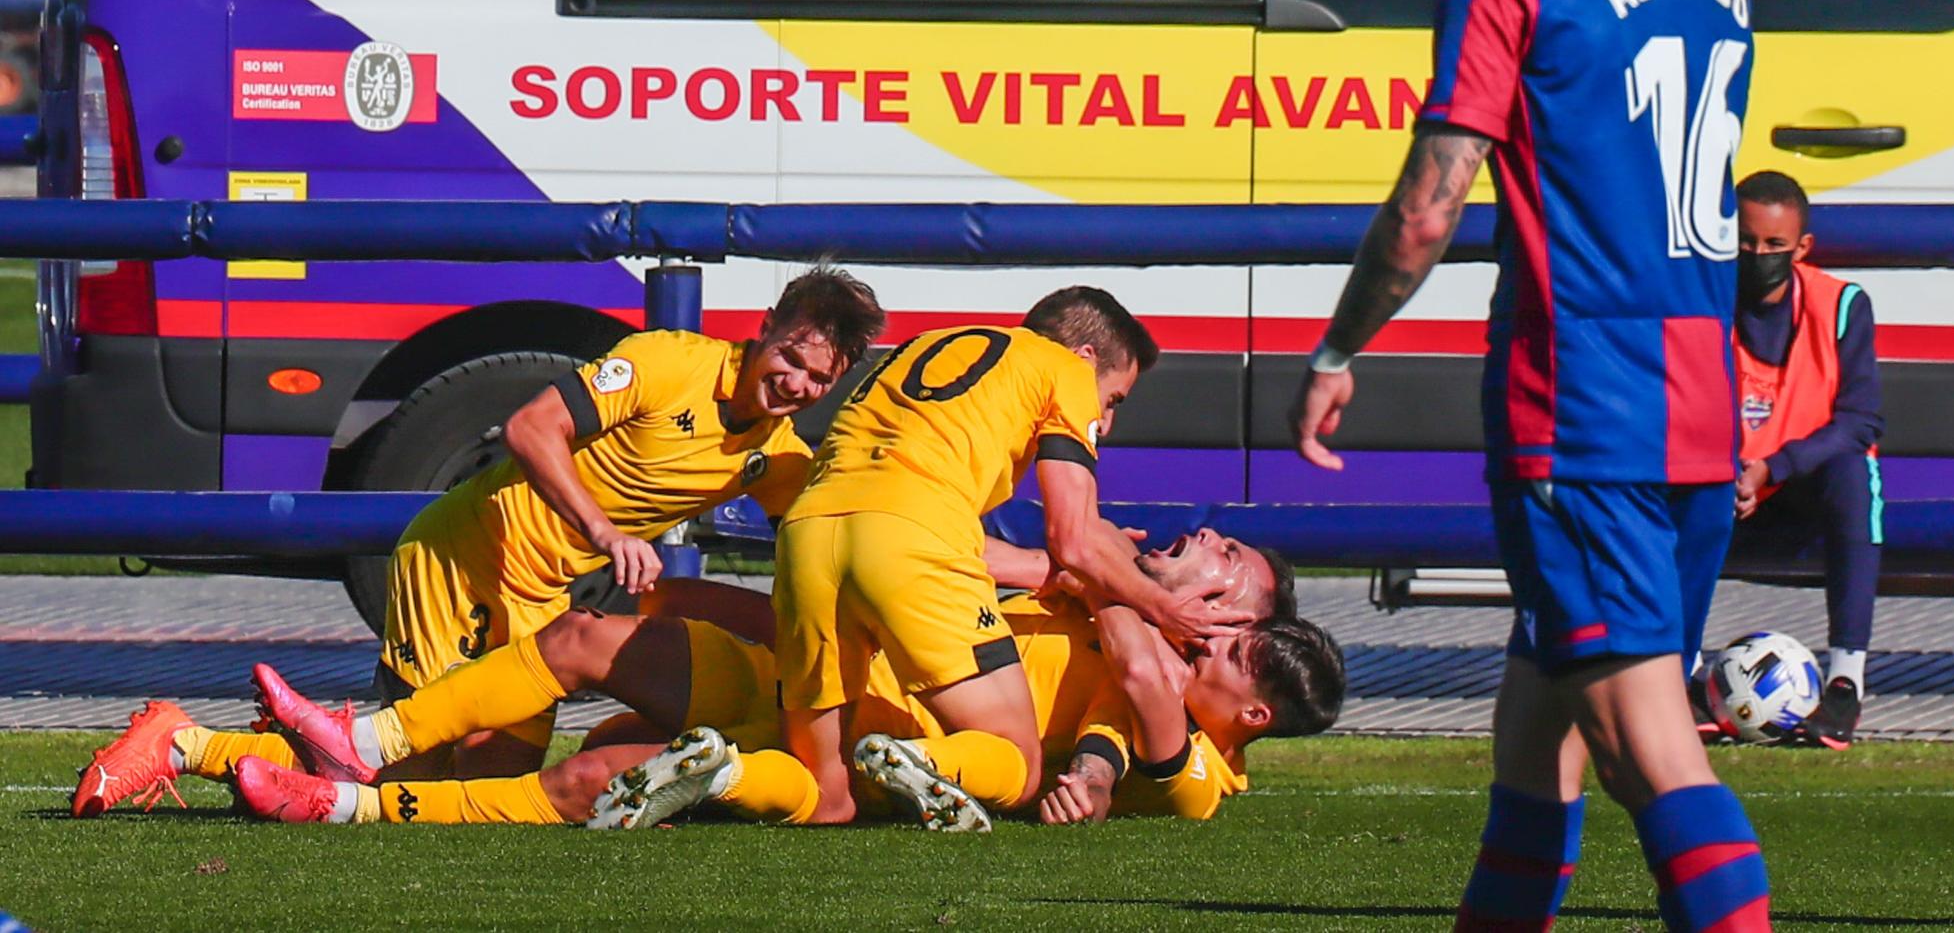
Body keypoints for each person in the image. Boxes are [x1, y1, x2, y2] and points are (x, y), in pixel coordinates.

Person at [1288, 0, 1770, 932]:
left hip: (1584, 410)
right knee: (1531, 750)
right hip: (1694, 407)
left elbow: (1426, 208)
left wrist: (1338, 350)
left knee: (1646, 753)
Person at [72, 267, 884, 817]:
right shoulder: (666, 363)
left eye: (820, 380)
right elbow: (532, 428)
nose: (797, 386)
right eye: (792, 358)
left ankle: (250, 746)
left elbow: (827, 550)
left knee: (482, 795)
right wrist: (604, 531)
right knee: (405, 780)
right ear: (766, 329)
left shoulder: (777, 458)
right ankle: (182, 741)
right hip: (462, 561)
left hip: (542, 603)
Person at [230, 534, 1340, 829]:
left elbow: (1122, 724)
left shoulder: (1171, 723)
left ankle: (342, 798)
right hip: (815, 671)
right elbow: (986, 560)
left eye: (1224, 570)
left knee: (600, 778)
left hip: (845, 732)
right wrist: (1078, 559)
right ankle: (365, 740)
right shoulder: (1116, 614)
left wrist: (1109, 576)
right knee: (592, 633)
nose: (1203, 542)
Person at [773, 287, 1249, 828]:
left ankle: (724, 775)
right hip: (912, 539)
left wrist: (1060, 569)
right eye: (1113, 400)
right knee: (1019, 764)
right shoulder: (1064, 370)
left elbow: (896, 510)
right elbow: (1075, 539)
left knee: (825, 793)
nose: (1107, 422)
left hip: (806, 532)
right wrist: (1166, 610)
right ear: (1085, 358)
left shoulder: (931, 343)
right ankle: (925, 761)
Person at [1724, 169, 1883, 749]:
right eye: (1745, 242)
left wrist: (1776, 467)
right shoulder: (1701, 300)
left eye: (1773, 246)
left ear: (1802, 248)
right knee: (1672, 482)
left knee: (1854, 471)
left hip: (1799, 479)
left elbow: (1860, 420)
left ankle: (1844, 681)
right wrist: (1726, 469)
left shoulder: (1841, 305)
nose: (1757, 255)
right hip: (1725, 480)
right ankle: (1685, 672)